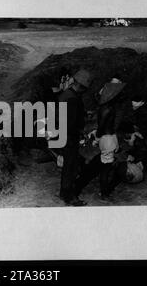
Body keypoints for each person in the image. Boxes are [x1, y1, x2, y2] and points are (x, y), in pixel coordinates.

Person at [74, 77, 126, 200]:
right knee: (105, 169)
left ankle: (104, 192)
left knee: (106, 166)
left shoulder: (105, 108)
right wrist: (97, 137)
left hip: (108, 138)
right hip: (108, 139)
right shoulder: (108, 109)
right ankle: (105, 193)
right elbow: (102, 128)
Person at [58, 69, 92, 206]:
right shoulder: (72, 99)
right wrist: (81, 130)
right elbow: (70, 123)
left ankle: (63, 192)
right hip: (69, 137)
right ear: (81, 86)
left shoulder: (66, 94)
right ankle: (70, 196)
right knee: (71, 167)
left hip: (63, 135)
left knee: (68, 165)